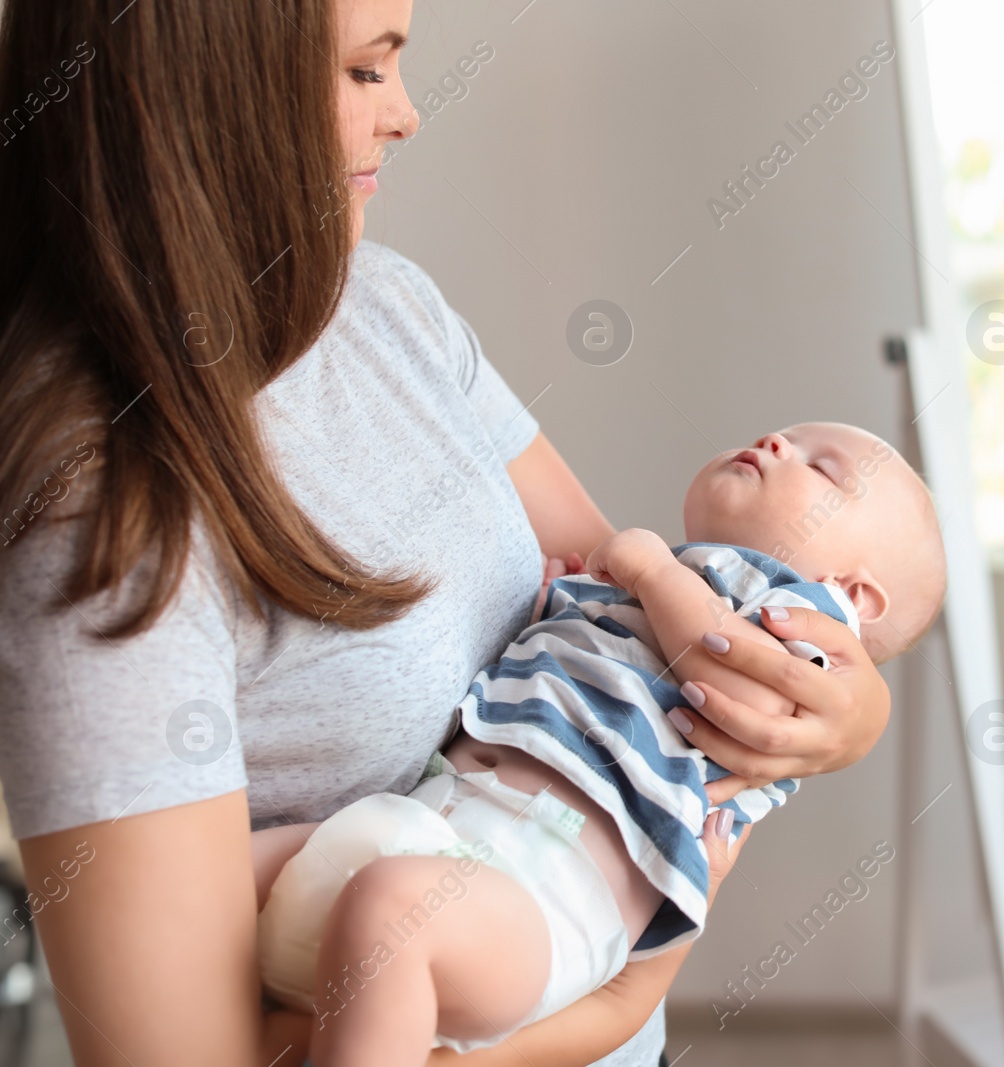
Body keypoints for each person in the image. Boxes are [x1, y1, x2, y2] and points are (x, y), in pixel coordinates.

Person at [0, 2, 893, 1065]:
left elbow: (636, 632)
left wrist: (849, 713)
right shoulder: (100, 519)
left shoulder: (387, 310)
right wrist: (618, 989)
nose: (411, 116)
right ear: (206, 99)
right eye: (368, 73)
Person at [253, 423, 947, 1062]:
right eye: (786, 435)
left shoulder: (802, 617)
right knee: (224, 871)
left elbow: (748, 693)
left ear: (855, 595)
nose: (775, 442)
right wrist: (562, 609)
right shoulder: (653, 590)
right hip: (432, 819)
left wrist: (651, 571)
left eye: (821, 468)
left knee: (390, 908)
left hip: (541, 896)